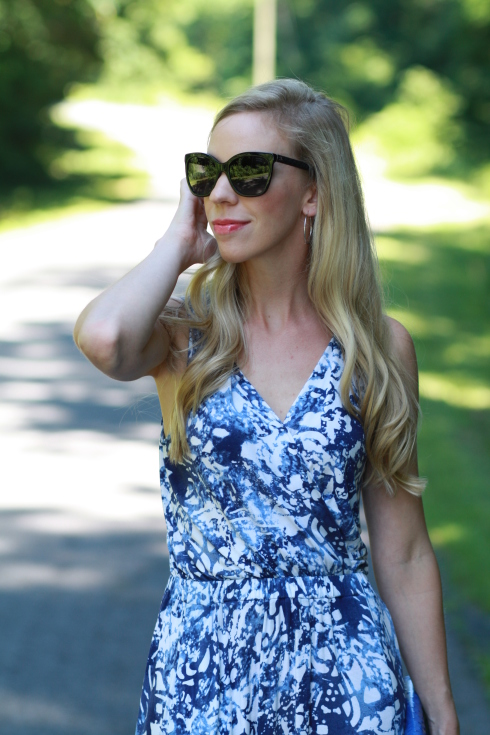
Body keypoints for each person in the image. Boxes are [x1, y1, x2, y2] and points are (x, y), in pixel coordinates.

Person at [74, 79, 459, 735]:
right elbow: (105, 338)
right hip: (204, 676)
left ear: (314, 193)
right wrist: (178, 241)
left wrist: (444, 713)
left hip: (347, 677)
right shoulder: (184, 333)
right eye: (208, 172)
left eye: (249, 171)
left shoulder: (378, 347)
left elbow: (404, 553)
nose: (221, 192)